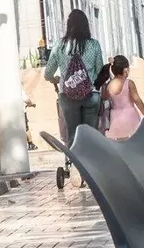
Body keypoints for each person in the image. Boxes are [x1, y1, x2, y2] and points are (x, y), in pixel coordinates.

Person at [44, 9, 104, 147]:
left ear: (69, 25)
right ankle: (91, 159)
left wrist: (56, 79)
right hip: (91, 94)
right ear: (86, 25)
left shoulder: (59, 45)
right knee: (91, 133)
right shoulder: (94, 44)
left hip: (67, 95)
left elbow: (47, 74)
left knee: (72, 132)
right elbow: (100, 71)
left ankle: (74, 159)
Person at [103, 55, 144, 140]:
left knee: (120, 142)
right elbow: (137, 100)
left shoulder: (109, 85)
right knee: (134, 141)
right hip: (131, 117)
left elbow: (105, 97)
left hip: (115, 118)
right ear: (126, 70)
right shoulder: (129, 83)